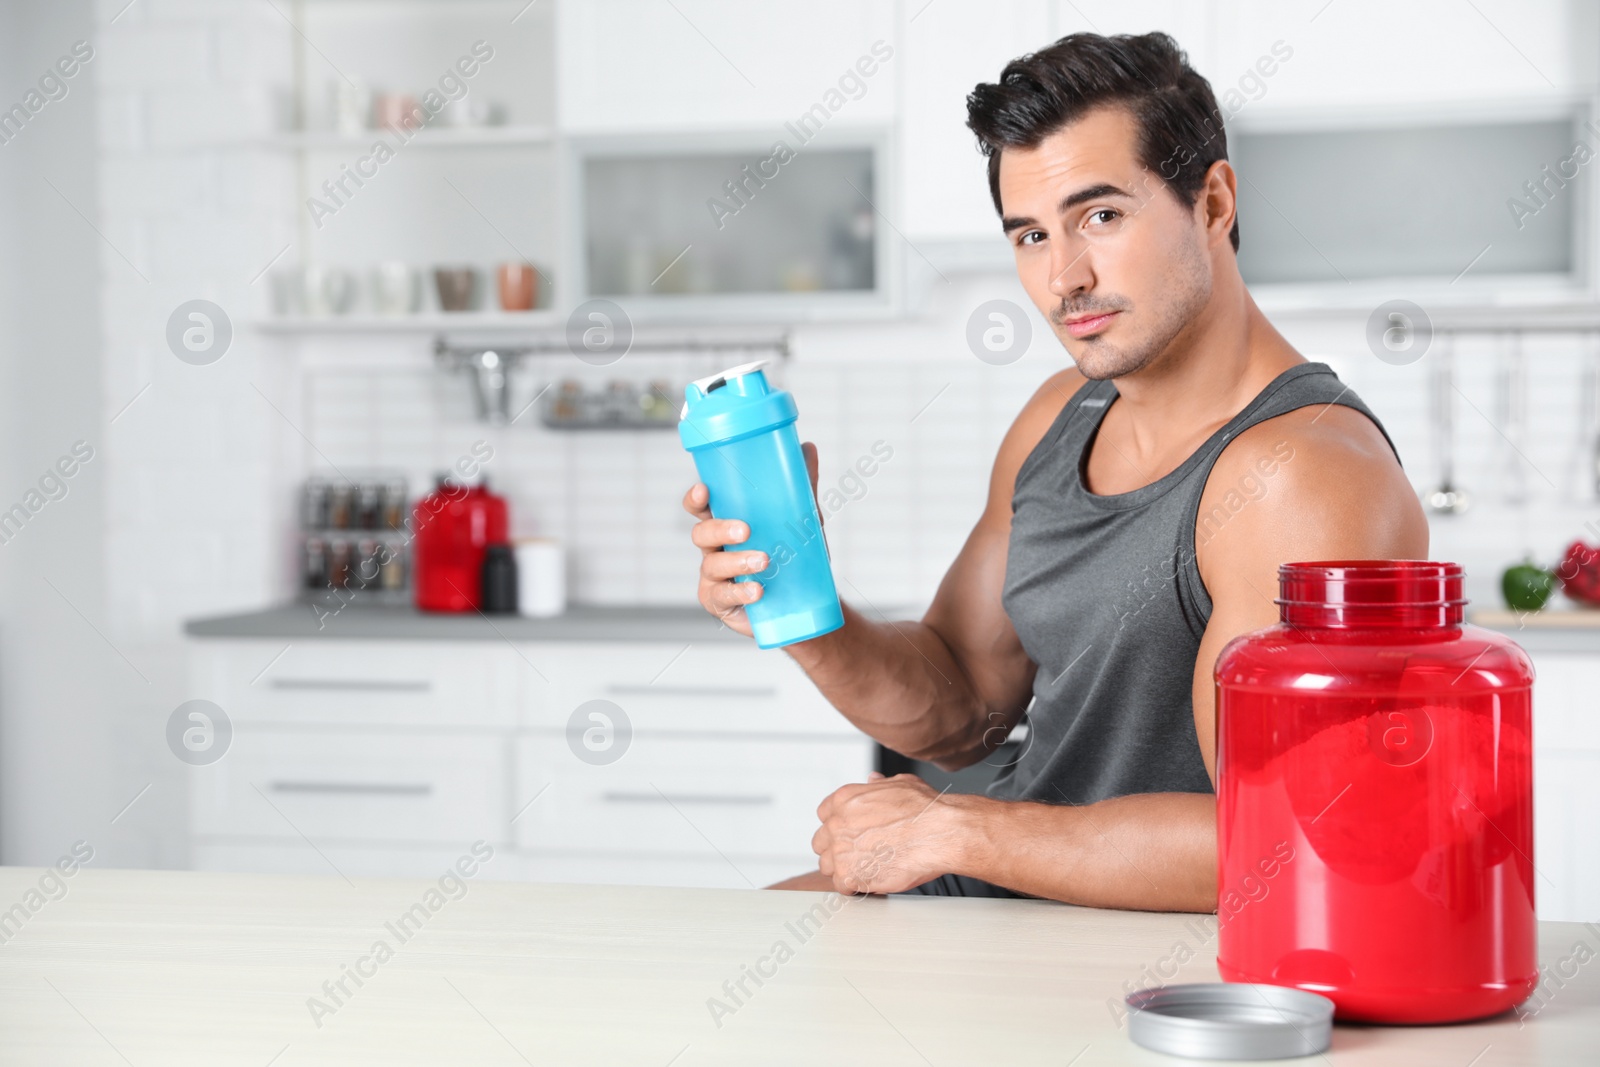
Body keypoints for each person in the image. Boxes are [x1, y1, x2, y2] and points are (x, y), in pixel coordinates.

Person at [681, 32, 1426, 909]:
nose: (1064, 276)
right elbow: (963, 708)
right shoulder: (1059, 416)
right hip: (1016, 898)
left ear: (1215, 201)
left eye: (1101, 215)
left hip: (1163, 955)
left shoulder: (1300, 475)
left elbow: (1284, 843)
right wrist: (798, 604)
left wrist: (959, 827)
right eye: (1031, 234)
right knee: (709, 949)